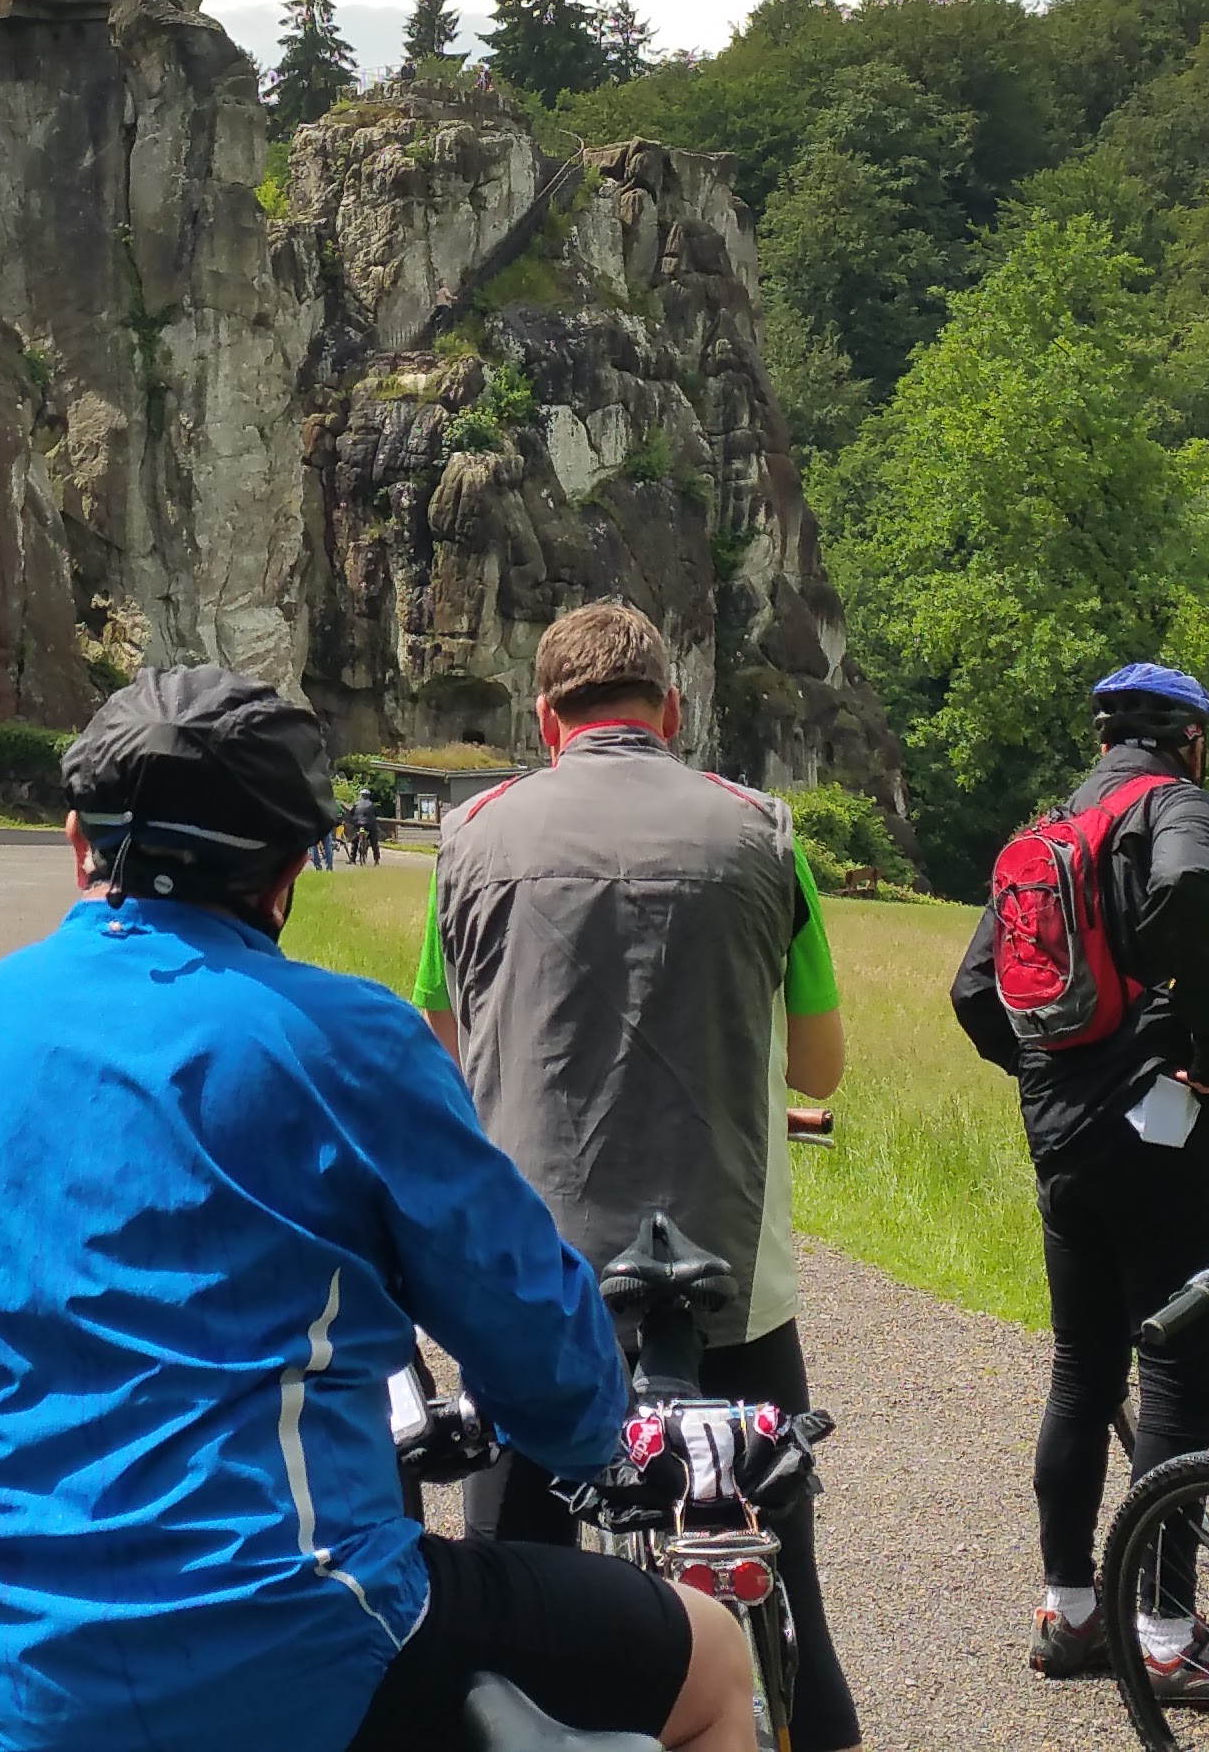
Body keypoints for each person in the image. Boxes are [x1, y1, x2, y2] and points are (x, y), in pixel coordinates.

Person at [0, 665, 754, 1752]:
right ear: (287, 869)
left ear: (75, 842)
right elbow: (529, 1321)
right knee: (710, 1661)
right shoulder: (344, 1041)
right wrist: (588, 1436)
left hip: (8, 1672)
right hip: (293, 1637)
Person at [419, 602, 868, 1752]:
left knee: (510, 1574)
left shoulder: (470, 835)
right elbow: (818, 1062)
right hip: (726, 1267)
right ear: (671, 712)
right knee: (784, 1575)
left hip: (533, 1277)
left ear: (543, 717)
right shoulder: (761, 829)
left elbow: (439, 1044)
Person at [951, 661, 1209, 1687]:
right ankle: (1167, 1640)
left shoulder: (1048, 831)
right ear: (1190, 739)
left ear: (1099, 742)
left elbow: (971, 992)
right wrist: (1192, 1034)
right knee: (1175, 1371)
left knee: (1080, 1368)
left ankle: (1070, 1613)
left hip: (1061, 1138)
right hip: (1160, 1136)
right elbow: (1190, 886)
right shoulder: (1178, 805)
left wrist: (1054, 1072)